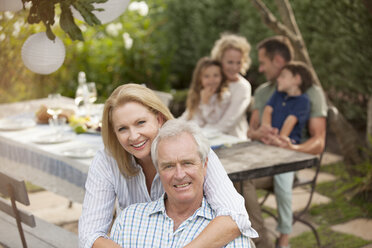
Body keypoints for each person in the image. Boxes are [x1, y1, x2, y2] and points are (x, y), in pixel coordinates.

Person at [78, 84, 258, 248]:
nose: (133, 136)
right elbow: (89, 235)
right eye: (122, 129)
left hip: (190, 236)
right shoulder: (107, 161)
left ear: (159, 119)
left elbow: (236, 216)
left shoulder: (191, 148)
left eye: (141, 123)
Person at [110, 119, 254, 247]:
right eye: (169, 166)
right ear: (158, 171)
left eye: (187, 163)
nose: (179, 175)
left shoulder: (229, 235)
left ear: (205, 166)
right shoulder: (129, 220)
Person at [246, 36, 327, 248]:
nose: (260, 69)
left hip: (288, 162)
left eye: (263, 63)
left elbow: (319, 142)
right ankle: (253, 240)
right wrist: (260, 133)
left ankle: (264, 243)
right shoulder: (264, 92)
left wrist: (292, 146)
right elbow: (250, 131)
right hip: (261, 158)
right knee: (232, 178)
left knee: (243, 180)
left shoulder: (310, 93)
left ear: (279, 61)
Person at [202, 33, 252, 140]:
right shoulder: (212, 81)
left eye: (238, 62)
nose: (234, 67)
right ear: (220, 60)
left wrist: (200, 135)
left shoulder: (243, 87)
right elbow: (196, 114)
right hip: (208, 137)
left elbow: (227, 123)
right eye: (230, 62)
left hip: (234, 141)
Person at [179, 57, 231, 131]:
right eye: (206, 76)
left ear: (221, 77)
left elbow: (213, 121)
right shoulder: (198, 94)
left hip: (207, 134)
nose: (211, 80)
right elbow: (187, 115)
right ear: (200, 78)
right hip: (191, 129)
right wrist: (174, 123)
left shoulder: (224, 96)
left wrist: (205, 102)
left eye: (216, 75)